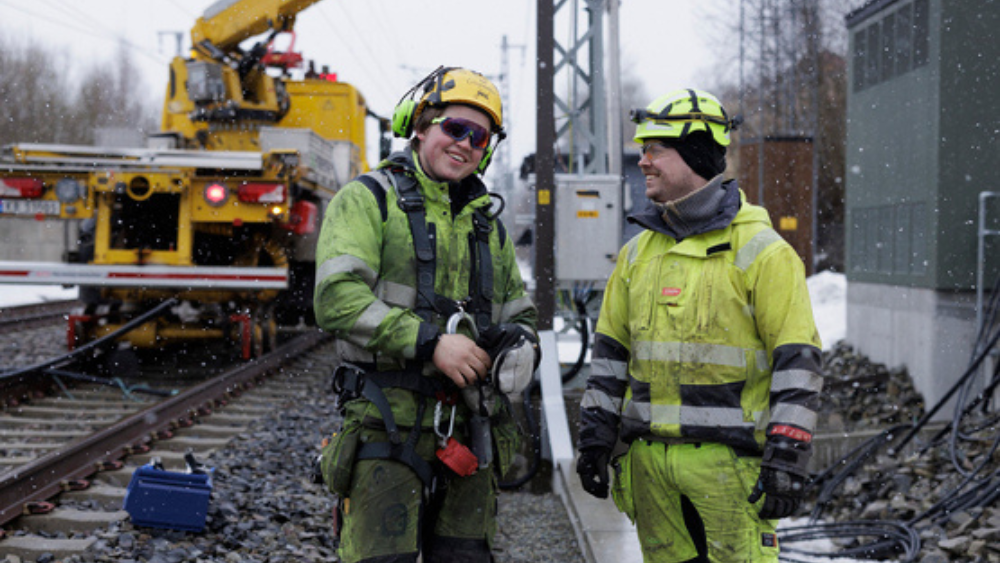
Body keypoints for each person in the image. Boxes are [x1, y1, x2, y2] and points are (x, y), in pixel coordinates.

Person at [575, 88, 824, 562]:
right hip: (651, 476)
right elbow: (610, 357)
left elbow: (799, 365)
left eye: (655, 150)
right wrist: (595, 439)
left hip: (730, 476)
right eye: (643, 149)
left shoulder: (763, 252)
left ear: (695, 154)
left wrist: (788, 457)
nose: (643, 161)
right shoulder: (635, 255)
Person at [313, 66, 539, 563]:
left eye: (479, 137)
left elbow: (521, 315)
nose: (465, 144)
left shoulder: (490, 230)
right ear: (420, 126)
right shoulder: (369, 200)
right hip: (384, 425)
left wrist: (520, 346)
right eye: (454, 129)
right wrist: (431, 343)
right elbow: (335, 297)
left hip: (470, 431)